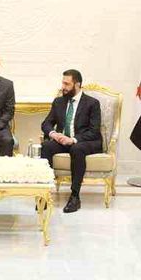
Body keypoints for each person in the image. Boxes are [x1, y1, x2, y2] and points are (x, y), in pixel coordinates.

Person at [40, 69, 103, 214]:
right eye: (63, 83)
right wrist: (54, 134)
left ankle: (75, 196)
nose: (63, 87)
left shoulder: (92, 103)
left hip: (85, 141)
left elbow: (94, 131)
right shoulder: (59, 102)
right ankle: (44, 193)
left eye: (67, 84)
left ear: (77, 84)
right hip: (63, 141)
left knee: (77, 149)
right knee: (46, 146)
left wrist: (73, 140)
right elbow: (46, 123)